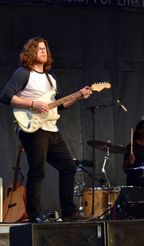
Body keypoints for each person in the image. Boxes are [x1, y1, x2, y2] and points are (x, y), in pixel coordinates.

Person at [0, 37, 92, 222]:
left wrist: (78, 97)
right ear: (30, 53)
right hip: (32, 128)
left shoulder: (51, 79)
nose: (44, 51)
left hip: (51, 128)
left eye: (45, 49)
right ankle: (34, 215)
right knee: (38, 171)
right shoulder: (23, 73)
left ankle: (68, 212)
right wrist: (33, 103)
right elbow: (5, 96)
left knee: (68, 167)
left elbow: (60, 106)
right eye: (39, 49)